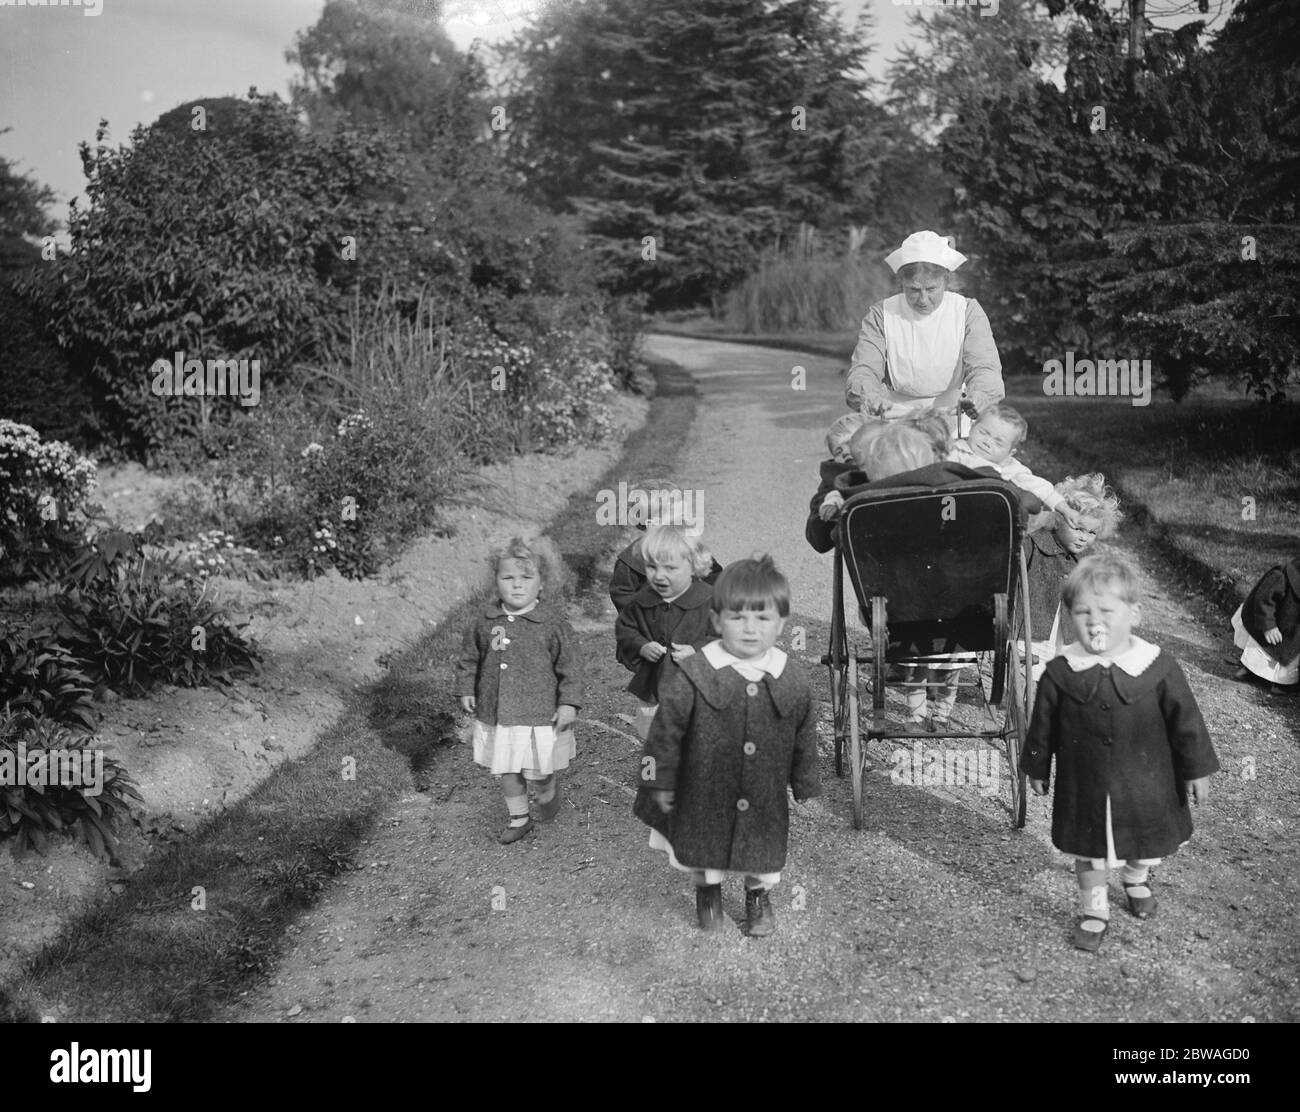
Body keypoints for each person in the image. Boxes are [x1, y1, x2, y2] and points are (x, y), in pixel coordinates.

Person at [1024, 554, 1219, 952]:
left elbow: (1187, 722)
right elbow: (1042, 723)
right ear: (1070, 616)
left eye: (1107, 611)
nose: (1095, 622)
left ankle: (1135, 877)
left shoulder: (1157, 666)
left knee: (1149, 841)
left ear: (1134, 615)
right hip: (1086, 785)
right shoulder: (1062, 671)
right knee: (1089, 849)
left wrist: (1196, 769)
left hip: (1148, 785)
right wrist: (1037, 766)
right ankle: (1094, 910)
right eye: (1082, 613)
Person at [633, 555, 821, 936]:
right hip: (703, 787)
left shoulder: (791, 678)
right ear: (718, 621)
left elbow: (804, 733)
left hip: (762, 791)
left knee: (761, 851)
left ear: (782, 623)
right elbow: (664, 732)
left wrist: (806, 784)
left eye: (763, 618)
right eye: (737, 618)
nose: (750, 629)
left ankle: (757, 897)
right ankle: (708, 891)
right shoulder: (696, 673)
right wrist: (659, 781)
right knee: (703, 846)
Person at [456, 536, 583, 844]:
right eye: (507, 577)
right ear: (495, 581)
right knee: (507, 769)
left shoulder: (551, 622)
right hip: (498, 713)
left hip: (539, 714)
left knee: (537, 769)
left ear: (542, 583)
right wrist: (466, 688)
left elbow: (571, 666)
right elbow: (469, 658)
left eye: (526, 577)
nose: (516, 585)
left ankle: (546, 787)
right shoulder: (485, 621)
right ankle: (519, 818)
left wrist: (569, 703)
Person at [845, 230, 1005, 437]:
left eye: (931, 289)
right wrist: (868, 396)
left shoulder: (967, 311)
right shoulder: (882, 314)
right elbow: (864, 367)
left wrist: (980, 395)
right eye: (913, 290)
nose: (923, 299)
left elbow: (984, 365)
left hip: (953, 416)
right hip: (895, 416)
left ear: (946, 280)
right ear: (901, 282)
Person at [615, 524, 717, 741]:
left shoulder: (709, 601)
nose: (659, 576)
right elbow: (625, 628)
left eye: (670, 568)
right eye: (651, 567)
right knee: (657, 737)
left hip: (698, 687)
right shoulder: (641, 601)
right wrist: (641, 645)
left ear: (693, 566)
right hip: (656, 684)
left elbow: (725, 638)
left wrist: (697, 650)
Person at [1021, 474, 1123, 681]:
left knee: (1061, 671)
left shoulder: (1088, 559)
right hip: (1032, 627)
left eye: (1092, 532)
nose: (1084, 537)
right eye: (1078, 528)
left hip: (1065, 631)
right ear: (1058, 520)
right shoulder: (1033, 544)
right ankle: (1024, 705)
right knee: (1027, 672)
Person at [947, 405, 1079, 522]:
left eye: (998, 443)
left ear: (1010, 452)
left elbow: (1043, 489)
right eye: (983, 432)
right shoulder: (953, 449)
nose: (987, 442)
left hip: (984, 518)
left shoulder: (1009, 467)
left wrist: (1066, 510)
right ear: (971, 428)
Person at [609, 497, 723, 614]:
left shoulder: (689, 546)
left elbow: (714, 576)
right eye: (672, 522)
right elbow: (622, 593)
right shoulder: (631, 560)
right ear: (650, 524)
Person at [1230, 555, 1300, 696]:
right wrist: (1268, 625)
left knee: (1289, 657)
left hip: (1293, 636)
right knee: (1260, 650)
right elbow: (1263, 599)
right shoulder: (1284, 576)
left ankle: (1282, 682)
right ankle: (1250, 669)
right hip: (1275, 624)